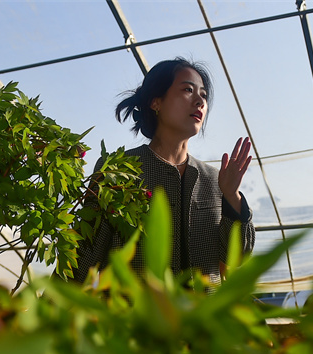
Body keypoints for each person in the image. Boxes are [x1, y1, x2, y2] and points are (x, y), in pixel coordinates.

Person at [72, 57, 256, 286]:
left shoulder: (214, 179)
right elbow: (86, 252)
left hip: (202, 317)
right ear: (156, 102)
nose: (200, 101)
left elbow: (237, 256)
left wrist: (232, 197)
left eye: (204, 95)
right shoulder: (118, 170)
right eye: (188, 89)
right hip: (137, 317)